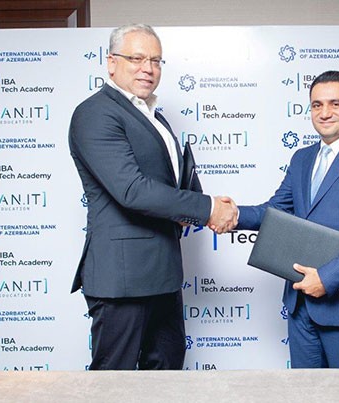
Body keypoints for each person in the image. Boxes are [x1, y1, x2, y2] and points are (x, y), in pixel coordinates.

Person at [68, 23, 237, 370]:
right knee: (114, 383)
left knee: (166, 379)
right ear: (111, 63)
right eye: (137, 58)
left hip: (164, 274)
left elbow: (168, 184)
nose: (148, 68)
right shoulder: (95, 113)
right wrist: (206, 208)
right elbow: (132, 190)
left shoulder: (154, 117)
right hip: (122, 279)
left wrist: (192, 206)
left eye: (156, 60)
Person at [235, 71, 339, 368]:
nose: (324, 113)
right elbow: (275, 211)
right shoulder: (302, 158)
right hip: (300, 306)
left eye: (335, 104)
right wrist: (230, 214)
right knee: (305, 390)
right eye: (317, 105)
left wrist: (325, 278)